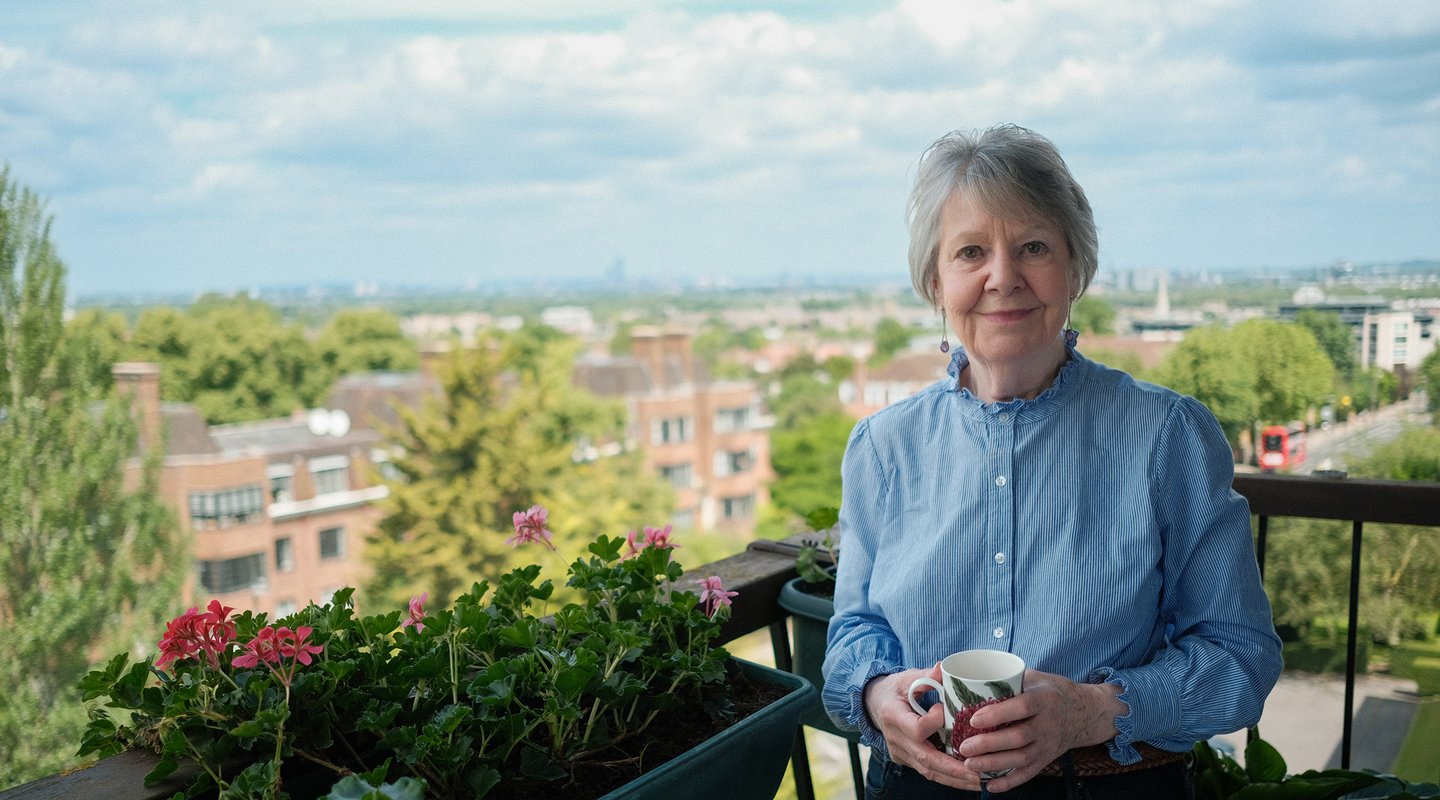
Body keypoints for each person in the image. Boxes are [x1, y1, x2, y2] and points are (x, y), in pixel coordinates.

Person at [821, 124, 1283, 799]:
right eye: (971, 251)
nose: (1002, 276)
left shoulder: (1168, 437)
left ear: (1075, 268)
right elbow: (854, 633)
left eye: (1033, 247)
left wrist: (1090, 712)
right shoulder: (882, 448)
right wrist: (874, 694)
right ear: (935, 281)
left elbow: (1241, 657)